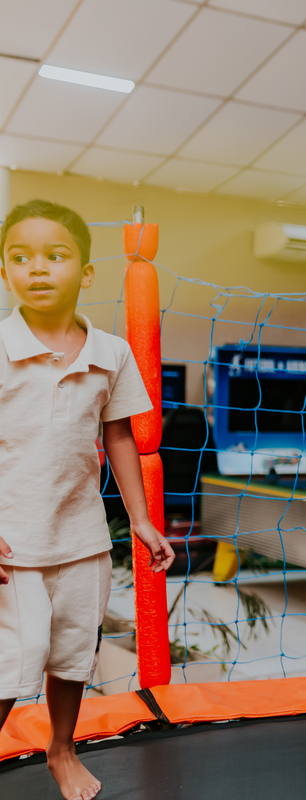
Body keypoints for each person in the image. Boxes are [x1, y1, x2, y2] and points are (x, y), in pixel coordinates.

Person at [0, 200, 175, 800]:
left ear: (87, 272)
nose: (38, 269)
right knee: (7, 664)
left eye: (56, 256)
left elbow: (120, 434)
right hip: (10, 542)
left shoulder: (112, 351)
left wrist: (142, 521)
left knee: (74, 653)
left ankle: (62, 750)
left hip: (81, 539)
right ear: (4, 272)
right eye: (20, 258)